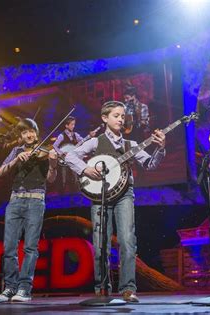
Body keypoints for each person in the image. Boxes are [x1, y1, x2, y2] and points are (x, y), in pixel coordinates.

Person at [64, 101, 166, 302]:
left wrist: (160, 148)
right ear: (105, 118)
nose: (120, 119)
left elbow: (150, 164)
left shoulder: (132, 145)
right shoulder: (96, 142)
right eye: (116, 115)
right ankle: (102, 288)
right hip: (100, 195)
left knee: (128, 240)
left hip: (125, 194)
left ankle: (128, 288)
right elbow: (69, 155)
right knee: (100, 242)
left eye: (122, 116)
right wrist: (85, 169)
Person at [0, 118, 58, 302]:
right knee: (9, 247)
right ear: (21, 136)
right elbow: (1, 172)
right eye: (24, 132)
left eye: (31, 131)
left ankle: (24, 289)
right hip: (15, 201)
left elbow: (51, 178)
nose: (28, 135)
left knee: (30, 247)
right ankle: (10, 287)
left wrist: (53, 164)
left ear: (36, 133)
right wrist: (16, 159)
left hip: (35, 201)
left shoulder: (45, 152)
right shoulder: (16, 151)